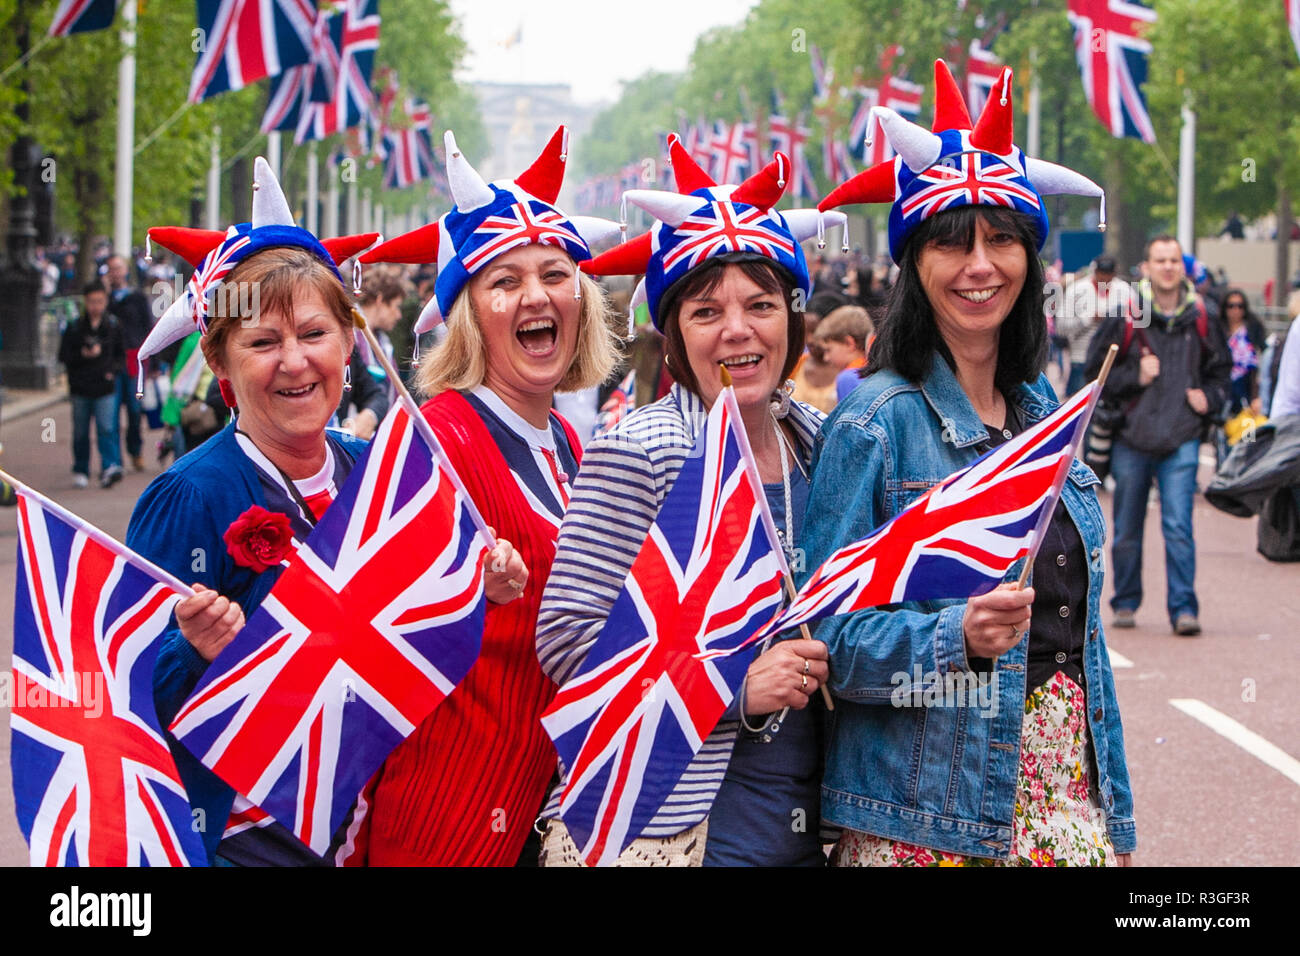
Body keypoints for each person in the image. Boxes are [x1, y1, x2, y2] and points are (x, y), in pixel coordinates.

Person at [810, 59, 1135, 866]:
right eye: (953, 243)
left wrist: (1115, 822)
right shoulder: (875, 422)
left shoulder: (1042, 412)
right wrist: (956, 632)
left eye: (1002, 240)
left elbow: (1084, 646)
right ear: (914, 265)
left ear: (1031, 259)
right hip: (926, 821)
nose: (980, 266)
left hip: (1066, 808)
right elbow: (829, 641)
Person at [535, 136, 836, 867]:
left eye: (761, 304)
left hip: (808, 824)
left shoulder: (823, 442)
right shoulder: (641, 451)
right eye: (706, 312)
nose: (738, 329)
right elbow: (568, 644)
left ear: (792, 320)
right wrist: (733, 688)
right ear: (673, 335)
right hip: (671, 829)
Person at [350, 126, 621, 866]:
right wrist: (464, 593)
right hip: (450, 812)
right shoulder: (432, 439)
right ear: (468, 316)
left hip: (549, 810)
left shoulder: (567, 443)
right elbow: (362, 629)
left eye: (555, 273)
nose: (536, 294)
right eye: (504, 281)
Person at [124, 158, 401, 865]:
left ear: (349, 347)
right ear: (220, 367)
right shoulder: (192, 494)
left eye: (313, 334)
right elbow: (127, 686)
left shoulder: (377, 471)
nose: (295, 361)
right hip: (251, 839)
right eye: (262, 342)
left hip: (375, 822)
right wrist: (195, 651)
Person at [1084, 236, 1231, 636]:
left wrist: (1211, 398)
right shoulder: (1128, 316)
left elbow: (1222, 372)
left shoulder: (1202, 315)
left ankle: (1184, 609)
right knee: (1127, 528)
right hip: (1132, 438)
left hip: (1181, 437)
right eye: (1159, 260)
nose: (1168, 267)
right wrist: (1135, 376)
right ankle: (1126, 601)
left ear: (1183, 268)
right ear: (1146, 267)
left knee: (1179, 526)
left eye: (1174, 260)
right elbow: (1094, 376)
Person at [58, 279, 125, 488]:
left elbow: (121, 356)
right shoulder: (75, 327)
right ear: (85, 302)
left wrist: (111, 372)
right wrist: (82, 354)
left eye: (99, 301)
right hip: (81, 387)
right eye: (91, 302)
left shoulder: (113, 326)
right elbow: (63, 356)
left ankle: (110, 466)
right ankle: (81, 468)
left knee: (107, 428)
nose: (95, 306)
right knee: (80, 431)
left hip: (104, 386)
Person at [1057, 255, 1132, 396]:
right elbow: (1061, 327)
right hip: (1081, 358)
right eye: (1101, 273)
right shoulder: (1077, 290)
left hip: (1113, 360)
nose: (1104, 278)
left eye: (1108, 274)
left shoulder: (1125, 290)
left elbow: (1135, 321)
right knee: (1078, 407)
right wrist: (1088, 319)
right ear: (1094, 272)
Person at [106, 253, 153, 472]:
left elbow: (148, 327)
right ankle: (115, 460)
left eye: (118, 268)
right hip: (111, 362)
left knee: (134, 411)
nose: (115, 273)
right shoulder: (104, 298)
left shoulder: (137, 297)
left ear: (126, 270)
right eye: (111, 269)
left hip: (134, 361)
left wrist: (152, 361)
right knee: (111, 414)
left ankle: (135, 451)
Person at [814, 303, 873, 402]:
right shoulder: (876, 372)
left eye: (828, 350)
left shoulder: (848, 378)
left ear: (849, 343)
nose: (826, 358)